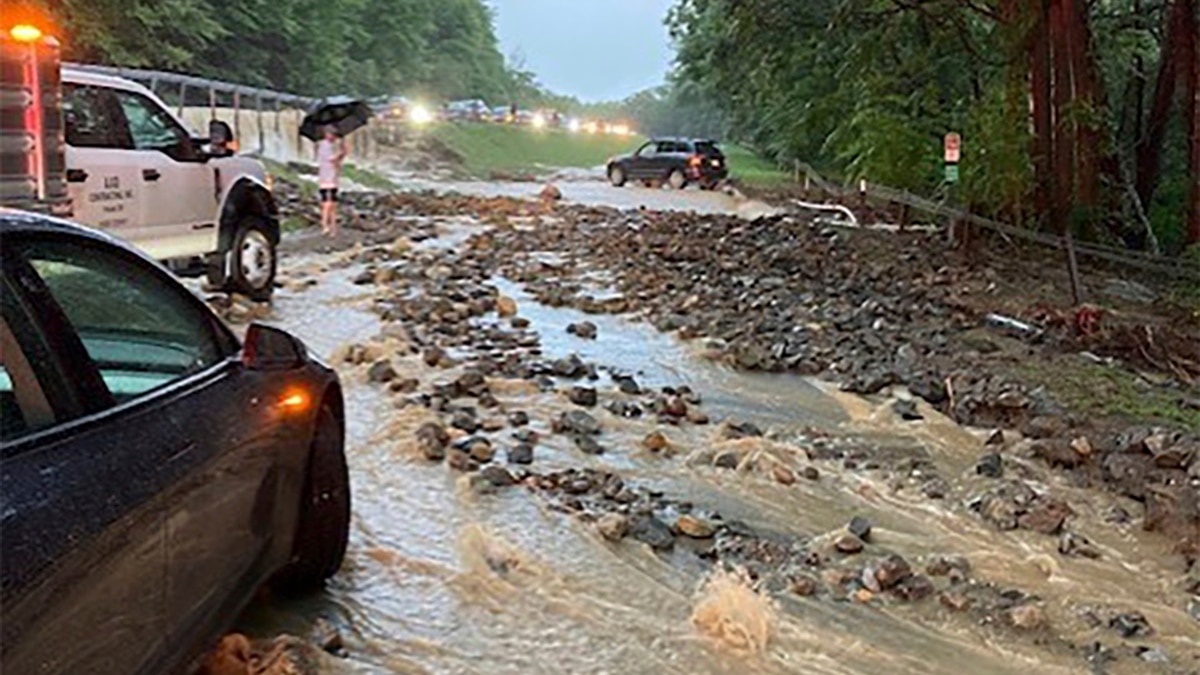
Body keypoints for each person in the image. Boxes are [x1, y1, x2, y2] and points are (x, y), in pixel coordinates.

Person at [316, 125, 347, 237]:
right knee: (327, 203)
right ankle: (324, 225)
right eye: (331, 134)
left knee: (333, 204)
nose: (333, 137)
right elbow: (332, 160)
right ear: (326, 134)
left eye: (334, 135)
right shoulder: (324, 145)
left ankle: (333, 228)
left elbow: (336, 162)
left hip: (332, 177)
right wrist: (342, 153)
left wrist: (342, 154)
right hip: (325, 178)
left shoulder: (332, 145)